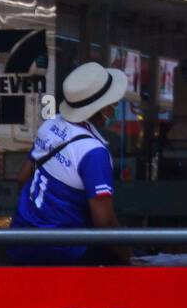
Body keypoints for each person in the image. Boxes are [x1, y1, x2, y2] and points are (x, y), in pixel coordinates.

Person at [7, 61, 131, 266]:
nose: (115, 106)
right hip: (64, 253)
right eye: (112, 102)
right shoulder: (93, 152)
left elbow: (22, 176)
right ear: (102, 109)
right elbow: (104, 222)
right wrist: (127, 254)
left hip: (20, 243)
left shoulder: (51, 124)